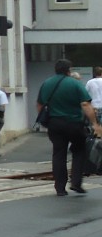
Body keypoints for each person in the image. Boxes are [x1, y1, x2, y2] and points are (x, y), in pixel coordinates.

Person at [36, 58, 102, 196]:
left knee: (58, 153)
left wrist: (46, 122)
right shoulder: (74, 83)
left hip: (54, 123)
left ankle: (60, 188)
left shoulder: (47, 83)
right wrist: (95, 124)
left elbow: (40, 105)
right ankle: (76, 183)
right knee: (79, 150)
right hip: (74, 123)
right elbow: (85, 104)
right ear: (69, 70)